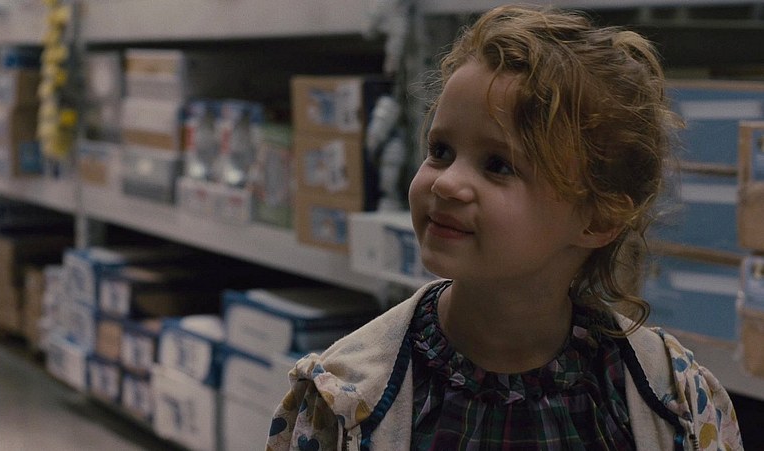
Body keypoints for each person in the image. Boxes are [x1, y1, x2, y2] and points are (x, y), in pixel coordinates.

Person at [267, 4, 743, 450]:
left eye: (498, 165)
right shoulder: (343, 401)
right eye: (440, 151)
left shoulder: (678, 403)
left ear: (598, 219)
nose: (446, 183)